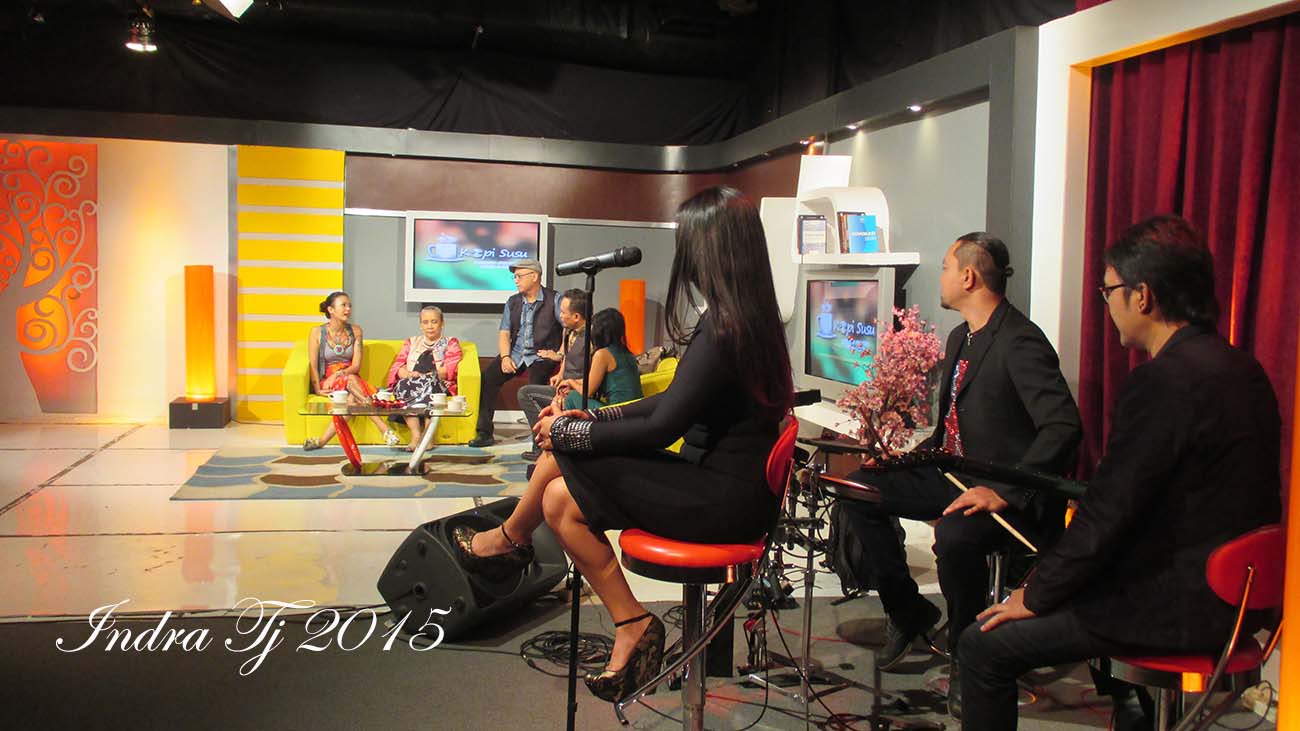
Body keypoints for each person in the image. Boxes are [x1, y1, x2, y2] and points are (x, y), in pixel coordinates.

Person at [449, 186, 793, 702]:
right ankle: (630, 621)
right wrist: (592, 416)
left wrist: (573, 432)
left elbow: (662, 427)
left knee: (563, 455)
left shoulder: (725, 328)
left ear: (708, 249)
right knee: (559, 500)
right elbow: (669, 403)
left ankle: (509, 543)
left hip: (723, 502)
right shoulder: (743, 318)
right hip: (722, 490)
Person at [959, 215, 1282, 730]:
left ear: (1143, 296)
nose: (1105, 304)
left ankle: (1131, 706)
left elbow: (1108, 515)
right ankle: (1131, 711)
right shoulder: (1244, 369)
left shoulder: (1164, 383)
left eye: (1108, 291)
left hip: (1177, 608)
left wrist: (1034, 595)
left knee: (983, 645)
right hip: (1241, 601)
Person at [837, 232, 1082, 715]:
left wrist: (1005, 490)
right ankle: (909, 611)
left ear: (968, 277)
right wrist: (902, 462)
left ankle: (970, 660)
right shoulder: (960, 337)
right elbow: (951, 427)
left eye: (947, 268)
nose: (942, 277)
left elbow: (1063, 426)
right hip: (952, 473)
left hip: (1007, 491)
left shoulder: (1020, 341)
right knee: (858, 489)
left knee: (955, 535)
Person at [469, 258, 563, 447]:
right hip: (516, 354)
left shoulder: (555, 299)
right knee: (488, 378)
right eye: (514, 277)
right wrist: (505, 357)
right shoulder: (513, 302)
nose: (516, 280)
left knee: (535, 386)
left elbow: (570, 329)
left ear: (534, 276)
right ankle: (484, 432)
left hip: (541, 355)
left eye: (519, 276)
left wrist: (559, 354)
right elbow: (504, 333)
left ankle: (540, 438)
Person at [304, 291, 400, 450]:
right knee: (352, 383)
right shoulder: (317, 332)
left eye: (349, 305)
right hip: (329, 381)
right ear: (331, 309)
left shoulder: (356, 331)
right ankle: (384, 429)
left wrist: (339, 373)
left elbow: (356, 366)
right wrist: (318, 388)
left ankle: (321, 441)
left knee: (352, 399)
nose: (348, 309)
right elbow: (313, 365)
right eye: (343, 305)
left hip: (350, 377)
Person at [517, 288, 589, 461]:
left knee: (528, 394)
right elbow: (566, 357)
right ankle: (542, 443)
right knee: (526, 392)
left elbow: (593, 375)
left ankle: (547, 444)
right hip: (564, 386)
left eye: (563, 313)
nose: (560, 316)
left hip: (578, 390)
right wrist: (560, 375)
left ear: (576, 316)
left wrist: (571, 387)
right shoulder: (569, 331)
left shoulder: (590, 337)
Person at [384, 304, 463, 451]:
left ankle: (428, 437)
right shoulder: (411, 342)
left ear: (442, 323)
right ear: (421, 325)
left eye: (434, 322)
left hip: (437, 381)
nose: (430, 326)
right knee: (403, 385)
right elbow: (398, 366)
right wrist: (408, 374)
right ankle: (415, 435)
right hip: (412, 381)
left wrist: (427, 376)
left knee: (429, 383)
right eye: (425, 322)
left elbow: (449, 368)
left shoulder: (450, 342)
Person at [559, 308, 643, 410]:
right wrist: (571, 382)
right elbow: (592, 380)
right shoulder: (628, 354)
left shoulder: (603, 354)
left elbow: (587, 391)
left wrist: (571, 383)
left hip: (617, 411)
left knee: (571, 397)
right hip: (636, 410)